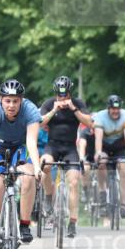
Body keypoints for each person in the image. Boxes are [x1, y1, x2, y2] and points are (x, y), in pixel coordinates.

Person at [0, 79, 41, 249]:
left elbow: (31, 142)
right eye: (7, 101)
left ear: (21, 100)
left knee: (28, 177)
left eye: (15, 101)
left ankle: (24, 225)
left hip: (20, 146)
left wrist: (36, 167)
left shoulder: (30, 110)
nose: (11, 105)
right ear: (1, 99)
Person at [38, 75, 91, 238]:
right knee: (45, 165)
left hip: (70, 147)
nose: (63, 97)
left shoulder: (78, 103)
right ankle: (48, 198)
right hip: (52, 145)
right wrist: (55, 109)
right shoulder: (49, 103)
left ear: (69, 93)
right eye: (60, 95)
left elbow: (89, 123)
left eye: (65, 94)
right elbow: (39, 123)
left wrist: (73, 108)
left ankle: (73, 222)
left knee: (74, 182)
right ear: (56, 93)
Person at [92, 94, 125, 220]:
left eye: (117, 109)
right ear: (108, 108)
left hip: (120, 148)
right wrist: (98, 152)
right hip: (105, 147)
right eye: (113, 109)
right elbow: (98, 137)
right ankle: (102, 194)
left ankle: (122, 205)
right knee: (101, 163)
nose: (115, 111)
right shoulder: (100, 116)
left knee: (124, 168)